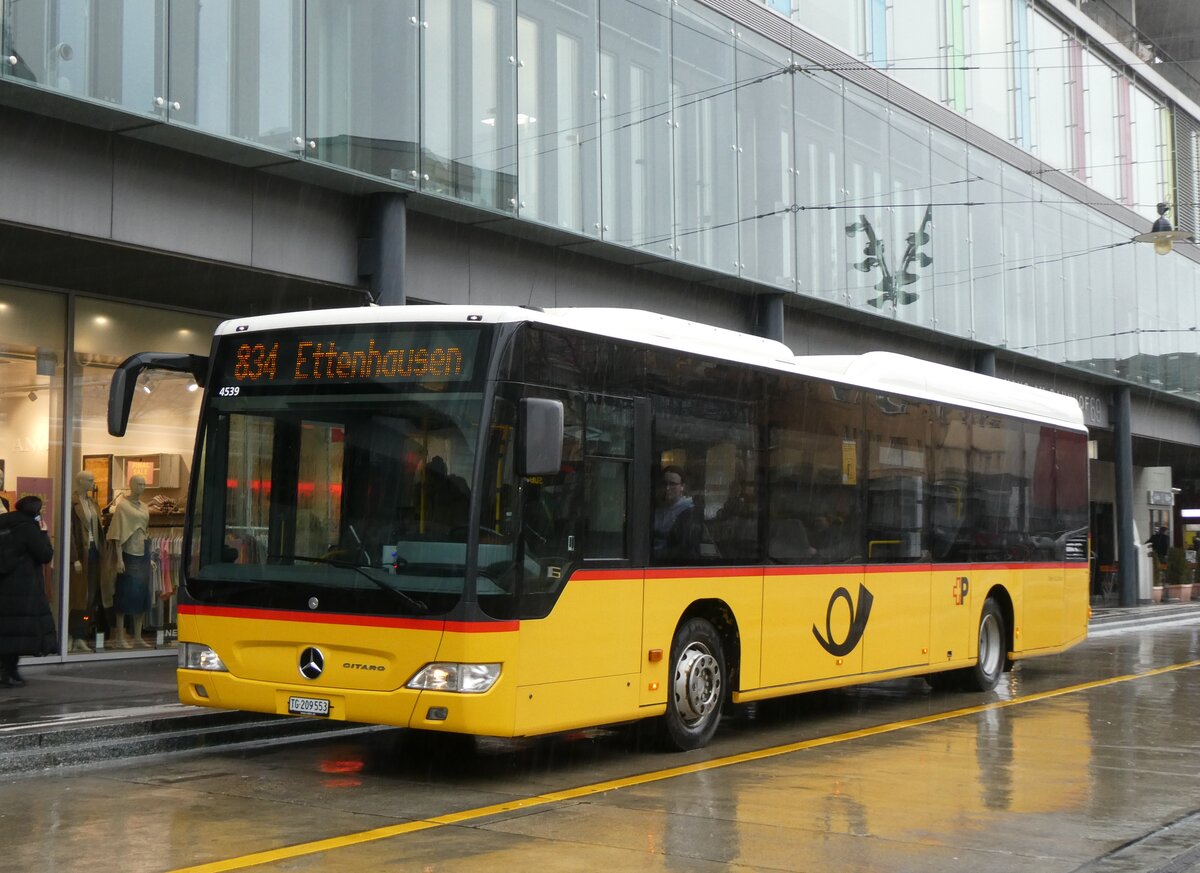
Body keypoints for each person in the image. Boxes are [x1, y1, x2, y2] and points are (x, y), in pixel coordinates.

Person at [0, 495, 57, 687]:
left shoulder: (4, 523)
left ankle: (8, 671)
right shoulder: (29, 528)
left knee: (6, 630)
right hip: (23, 588)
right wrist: (43, 532)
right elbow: (45, 555)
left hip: (4, 586)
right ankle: (8, 672)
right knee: (17, 632)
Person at [106, 475, 152, 648]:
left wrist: (150, 557)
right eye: (139, 484)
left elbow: (146, 530)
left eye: (144, 484)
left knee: (141, 595)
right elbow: (117, 533)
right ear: (131, 485)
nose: (142, 487)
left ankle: (138, 636)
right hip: (128, 553)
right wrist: (119, 559)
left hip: (143, 553)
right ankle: (119, 636)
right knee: (124, 595)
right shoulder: (123, 506)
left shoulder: (145, 507)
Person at [69, 470, 102, 653]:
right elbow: (70, 532)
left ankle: (81, 635)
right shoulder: (73, 504)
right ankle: (73, 635)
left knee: (90, 596)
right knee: (78, 596)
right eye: (90, 480)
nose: (93, 482)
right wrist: (74, 558)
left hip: (94, 552)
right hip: (81, 555)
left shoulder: (92, 503)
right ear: (80, 482)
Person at [653, 465, 700, 563]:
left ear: (682, 487)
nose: (667, 488)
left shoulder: (689, 512)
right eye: (664, 484)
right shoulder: (658, 509)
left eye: (673, 484)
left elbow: (684, 549)